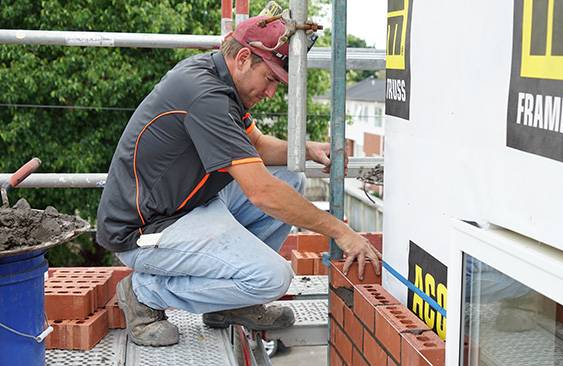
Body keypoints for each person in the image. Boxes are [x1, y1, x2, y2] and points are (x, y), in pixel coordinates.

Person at [95, 15, 381, 347]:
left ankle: (229, 304)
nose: (272, 92)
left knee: (289, 176)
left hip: (187, 206)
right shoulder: (205, 96)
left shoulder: (218, 79)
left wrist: (305, 150)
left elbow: (256, 146)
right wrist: (341, 232)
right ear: (243, 59)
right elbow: (261, 193)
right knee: (273, 277)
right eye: (270, 78)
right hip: (144, 232)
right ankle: (143, 292)